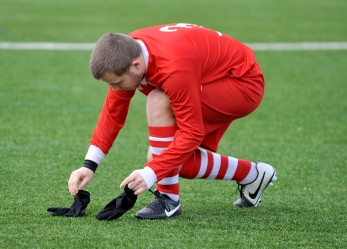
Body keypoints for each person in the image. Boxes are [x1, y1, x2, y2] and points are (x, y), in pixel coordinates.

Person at [68, 23, 277, 219]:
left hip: (242, 84)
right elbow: (112, 115)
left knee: (158, 101)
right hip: (211, 77)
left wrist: (151, 173)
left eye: (117, 83)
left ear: (136, 65)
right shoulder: (128, 52)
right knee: (164, 156)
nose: (114, 89)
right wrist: (89, 165)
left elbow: (192, 133)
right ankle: (253, 175)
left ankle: (169, 199)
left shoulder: (173, 68)